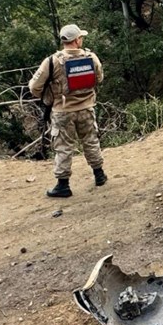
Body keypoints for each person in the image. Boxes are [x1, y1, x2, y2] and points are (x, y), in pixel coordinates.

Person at [29, 24, 106, 198]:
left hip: (62, 111)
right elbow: (99, 78)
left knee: (63, 147)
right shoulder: (91, 57)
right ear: (77, 40)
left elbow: (34, 86)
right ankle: (99, 175)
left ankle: (63, 185)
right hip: (87, 108)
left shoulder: (52, 61)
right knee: (91, 141)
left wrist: (50, 96)